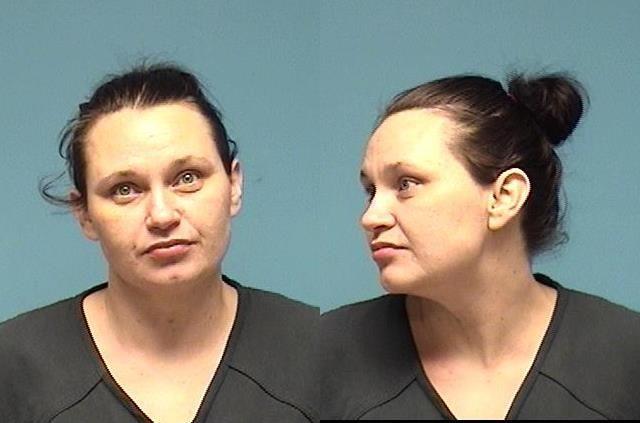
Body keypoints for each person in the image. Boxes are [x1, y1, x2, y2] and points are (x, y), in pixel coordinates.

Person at [0, 64, 318, 422]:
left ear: (234, 186)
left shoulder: (316, 350)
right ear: (84, 214)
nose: (162, 215)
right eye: (125, 189)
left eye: (187, 178)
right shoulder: (12, 367)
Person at [321, 72, 640, 419]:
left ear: (504, 197)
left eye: (406, 184)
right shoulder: (322, 357)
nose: (371, 217)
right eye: (371, 191)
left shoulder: (627, 357)